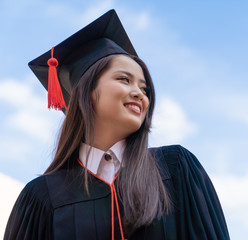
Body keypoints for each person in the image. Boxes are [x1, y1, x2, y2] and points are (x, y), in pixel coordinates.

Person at [4, 9, 230, 240]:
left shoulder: (176, 169)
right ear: (87, 91)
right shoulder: (42, 197)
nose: (139, 94)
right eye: (125, 79)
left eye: (145, 89)